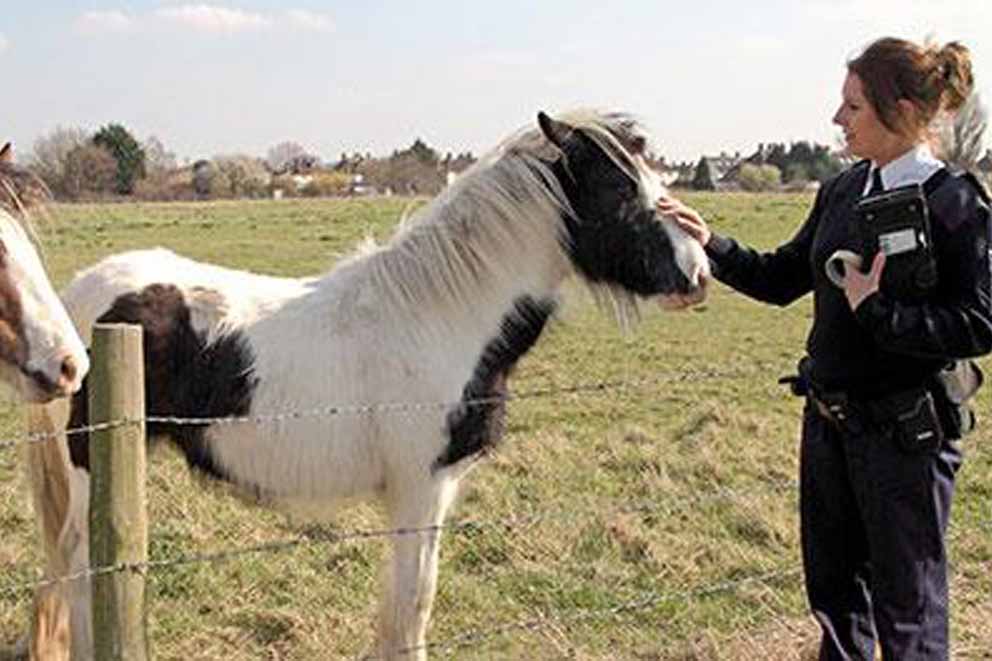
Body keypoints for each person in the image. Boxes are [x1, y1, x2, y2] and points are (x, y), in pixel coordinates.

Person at [658, 37, 992, 660]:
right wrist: (714, 243)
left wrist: (879, 311)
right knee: (837, 603)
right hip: (830, 429)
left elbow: (978, 323)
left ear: (903, 112)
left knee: (909, 611)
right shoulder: (841, 192)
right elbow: (784, 275)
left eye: (853, 106)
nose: (837, 119)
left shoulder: (954, 203)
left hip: (905, 441)